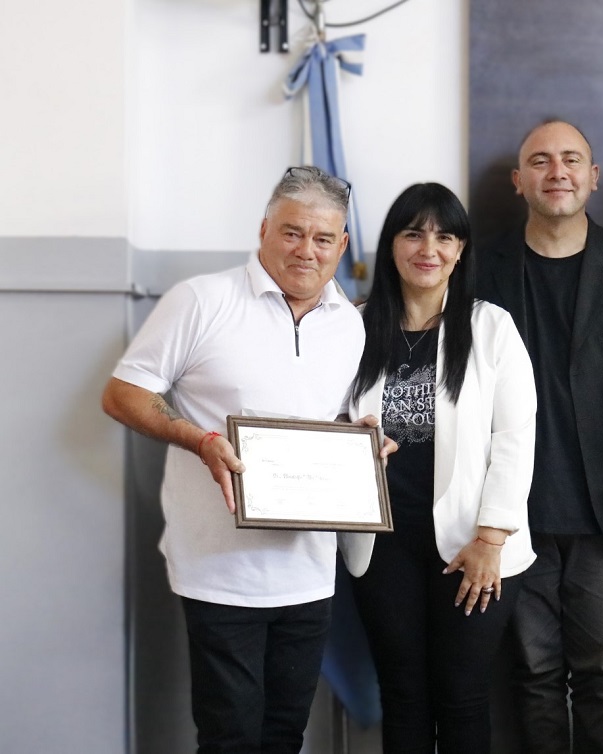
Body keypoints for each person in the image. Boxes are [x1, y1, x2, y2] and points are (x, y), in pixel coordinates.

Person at [102, 166, 386, 753]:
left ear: (342, 246)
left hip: (309, 571)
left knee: (284, 735)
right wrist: (200, 440)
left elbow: (337, 420)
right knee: (229, 737)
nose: (306, 251)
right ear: (263, 229)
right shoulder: (201, 300)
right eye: (292, 232)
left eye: (323, 238)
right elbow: (123, 394)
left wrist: (363, 448)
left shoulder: (350, 326)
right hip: (218, 571)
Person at [476, 119, 603, 754]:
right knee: (533, 671)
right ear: (519, 181)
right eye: (540, 161)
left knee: (599, 671)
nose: (556, 171)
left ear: (593, 177)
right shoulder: (480, 266)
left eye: (571, 160)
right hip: (512, 510)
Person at [347, 182, 537, 754]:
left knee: (462, 696)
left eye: (444, 236)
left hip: (472, 547)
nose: (428, 248)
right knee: (402, 694)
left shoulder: (491, 327)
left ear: (460, 251)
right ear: (391, 246)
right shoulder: (353, 327)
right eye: (413, 234)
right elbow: (324, 419)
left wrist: (490, 538)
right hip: (382, 545)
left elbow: (516, 438)